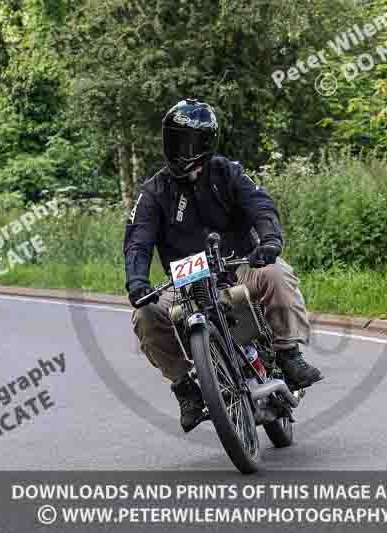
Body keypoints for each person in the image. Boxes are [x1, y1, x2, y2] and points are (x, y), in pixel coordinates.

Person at [123, 98, 323, 433]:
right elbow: (137, 241)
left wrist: (270, 240)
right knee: (145, 314)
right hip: (184, 284)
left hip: (238, 266)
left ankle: (288, 353)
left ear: (204, 144)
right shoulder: (153, 191)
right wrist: (136, 281)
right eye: (173, 139)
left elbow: (260, 205)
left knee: (277, 273)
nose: (178, 148)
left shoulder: (227, 172)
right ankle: (185, 387)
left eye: (186, 141)